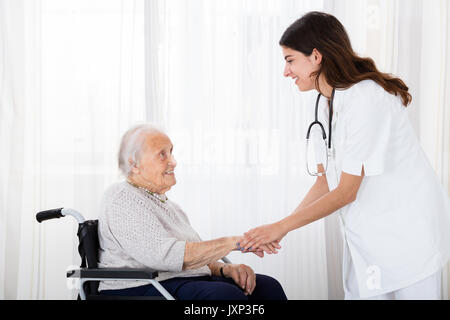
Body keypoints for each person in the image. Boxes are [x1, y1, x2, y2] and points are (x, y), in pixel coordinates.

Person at [239, 11, 450, 300]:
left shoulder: (365, 98)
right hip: (370, 238)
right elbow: (326, 180)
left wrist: (279, 227)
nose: (285, 72)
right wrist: (281, 229)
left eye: (290, 60)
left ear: (316, 56)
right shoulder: (327, 104)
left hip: (407, 236)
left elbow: (347, 191)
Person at [97, 123, 287, 300]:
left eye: (171, 152)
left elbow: (193, 260)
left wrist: (226, 269)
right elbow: (167, 256)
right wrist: (234, 242)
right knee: (224, 297)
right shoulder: (121, 199)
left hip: (179, 280)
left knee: (267, 287)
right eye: (162, 154)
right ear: (134, 164)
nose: (173, 161)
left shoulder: (168, 205)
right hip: (139, 286)